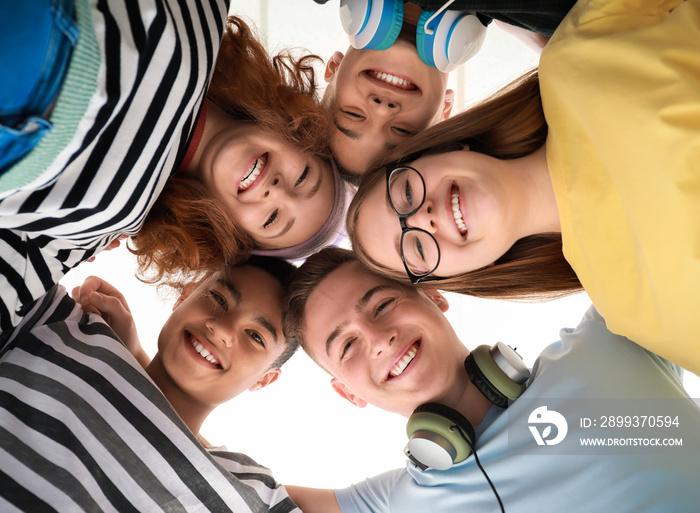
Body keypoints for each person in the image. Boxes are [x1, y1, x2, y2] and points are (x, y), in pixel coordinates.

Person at [347, 0, 700, 374]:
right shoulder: (630, 311)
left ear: (439, 149)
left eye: (404, 194)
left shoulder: (575, 55)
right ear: (461, 275)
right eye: (415, 247)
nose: (423, 217)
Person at [0, 8, 347, 339]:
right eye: (303, 177)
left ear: (231, 233)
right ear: (296, 130)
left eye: (272, 219)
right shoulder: (204, 21)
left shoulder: (109, 221)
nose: (278, 192)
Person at [281, 247, 700, 513]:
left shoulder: (609, 340)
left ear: (435, 296)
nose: (378, 339)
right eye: (347, 346)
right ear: (347, 393)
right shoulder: (391, 504)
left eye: (383, 304)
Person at [0, 256, 301, 511]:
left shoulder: (255, 496)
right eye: (219, 299)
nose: (221, 328)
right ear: (185, 295)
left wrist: (138, 358)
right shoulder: (64, 322)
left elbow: (351, 500)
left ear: (265, 380)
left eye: (256, 336)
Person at [313, 0, 576, 179]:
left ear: (333, 68)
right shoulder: (566, 14)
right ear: (446, 106)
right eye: (402, 130)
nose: (383, 110)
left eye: (354, 115)